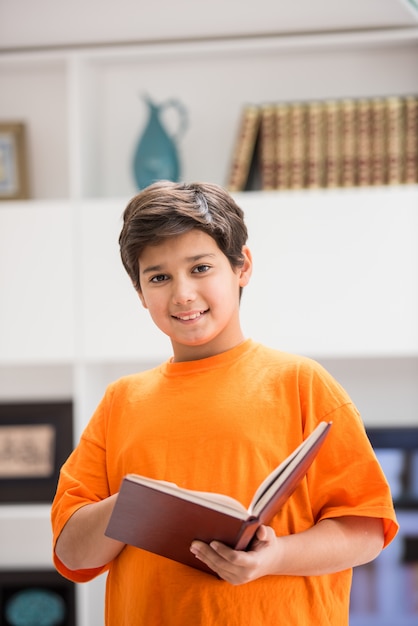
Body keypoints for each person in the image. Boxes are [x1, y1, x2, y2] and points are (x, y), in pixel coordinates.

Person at [51, 180, 398, 625]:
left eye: (200, 268)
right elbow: (72, 555)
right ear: (140, 293)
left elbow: (366, 530)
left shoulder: (302, 383)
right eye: (158, 277)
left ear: (242, 266)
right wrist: (132, 506)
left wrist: (275, 557)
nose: (182, 295)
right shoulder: (121, 401)